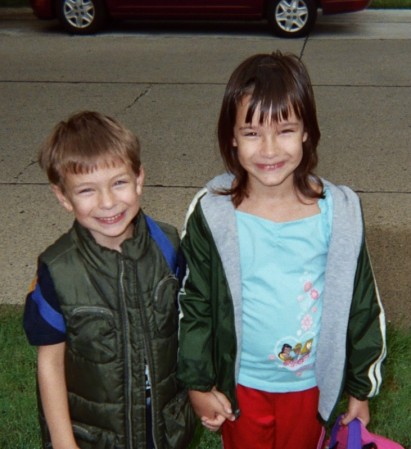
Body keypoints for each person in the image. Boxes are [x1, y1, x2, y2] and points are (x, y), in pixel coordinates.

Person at [176, 51, 386, 449]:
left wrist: (361, 389)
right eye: (252, 133)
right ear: (232, 138)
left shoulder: (337, 213)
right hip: (241, 387)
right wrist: (198, 383)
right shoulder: (214, 213)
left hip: (308, 388)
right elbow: (195, 303)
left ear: (307, 131)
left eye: (285, 130)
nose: (269, 149)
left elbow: (362, 304)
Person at [23, 111, 195, 449]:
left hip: (162, 422)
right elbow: (50, 362)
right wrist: (62, 440)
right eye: (86, 190)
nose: (107, 202)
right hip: (95, 433)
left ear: (139, 179)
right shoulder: (58, 271)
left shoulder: (168, 245)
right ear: (63, 197)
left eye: (119, 182)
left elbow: (189, 325)